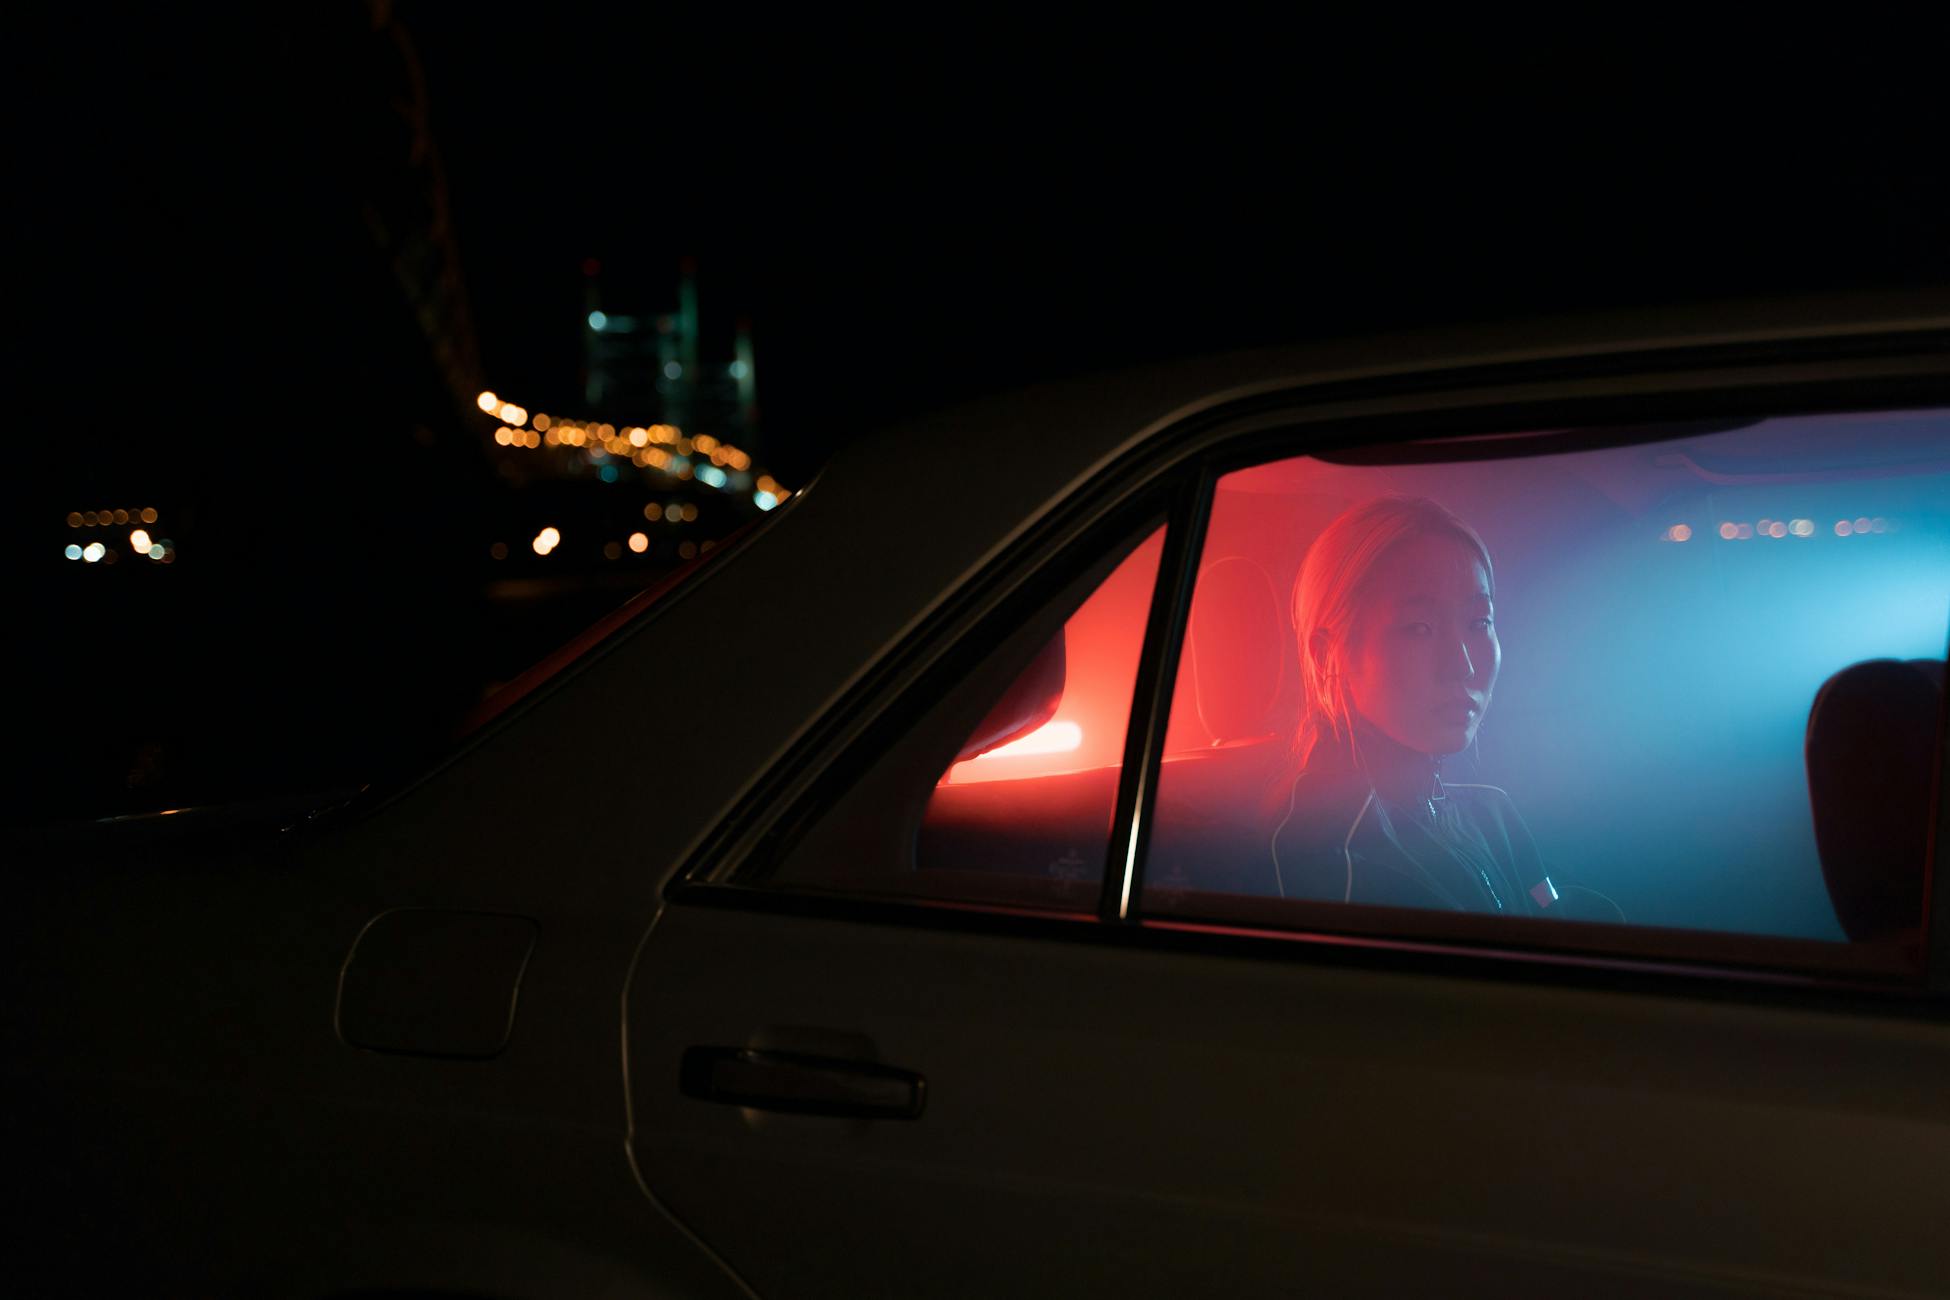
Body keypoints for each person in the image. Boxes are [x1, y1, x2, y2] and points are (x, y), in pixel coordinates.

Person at [1265, 495, 1562, 916]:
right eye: (1419, 628)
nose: (1461, 665)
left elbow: (1556, 917)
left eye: (1480, 622)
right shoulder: (1326, 850)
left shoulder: (1494, 814)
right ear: (1328, 653)